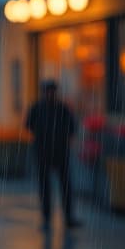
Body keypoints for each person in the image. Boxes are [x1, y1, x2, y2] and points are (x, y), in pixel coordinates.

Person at [25, 79, 81, 232]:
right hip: (43, 152)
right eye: (47, 91)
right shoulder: (38, 108)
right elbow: (28, 125)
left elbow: (72, 127)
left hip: (59, 153)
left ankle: (68, 216)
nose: (50, 94)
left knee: (65, 185)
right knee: (46, 186)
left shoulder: (62, 109)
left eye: (52, 91)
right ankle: (47, 216)